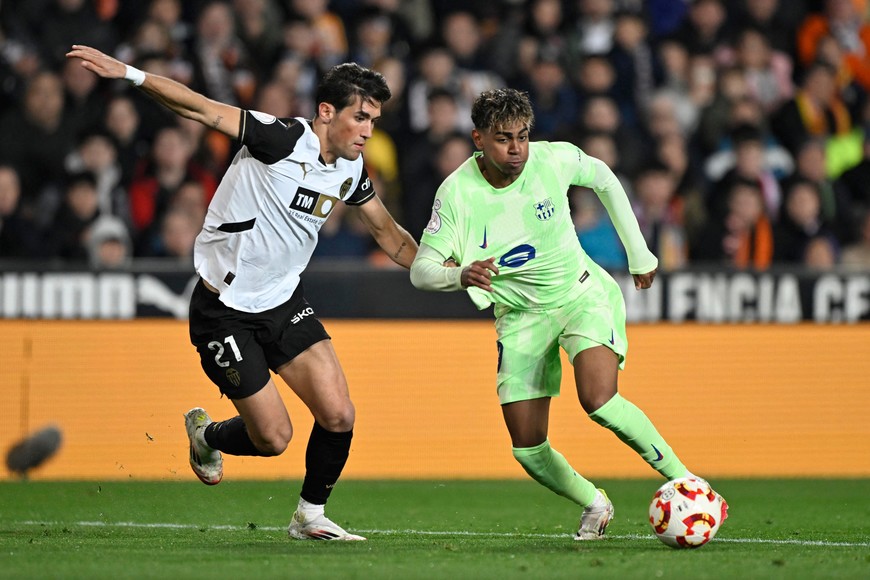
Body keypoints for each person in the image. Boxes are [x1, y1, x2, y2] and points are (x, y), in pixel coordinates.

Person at [67, 44, 418, 541]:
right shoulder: (281, 138)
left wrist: (453, 272)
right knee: (273, 439)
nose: (368, 131)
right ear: (325, 112)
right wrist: (129, 73)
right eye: (360, 117)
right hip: (224, 310)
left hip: (282, 301)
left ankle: (309, 516)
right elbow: (201, 108)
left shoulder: (350, 169)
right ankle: (206, 435)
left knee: (339, 414)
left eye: (374, 121)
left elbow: (388, 235)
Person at [409, 88, 725, 540]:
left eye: (522, 136)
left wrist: (639, 254)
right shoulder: (457, 194)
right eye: (503, 139)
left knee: (598, 399)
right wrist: (459, 275)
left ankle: (688, 482)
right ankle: (594, 503)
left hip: (580, 295)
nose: (516, 149)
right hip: (519, 317)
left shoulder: (552, 159)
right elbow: (422, 270)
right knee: (527, 447)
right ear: (478, 138)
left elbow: (605, 179)